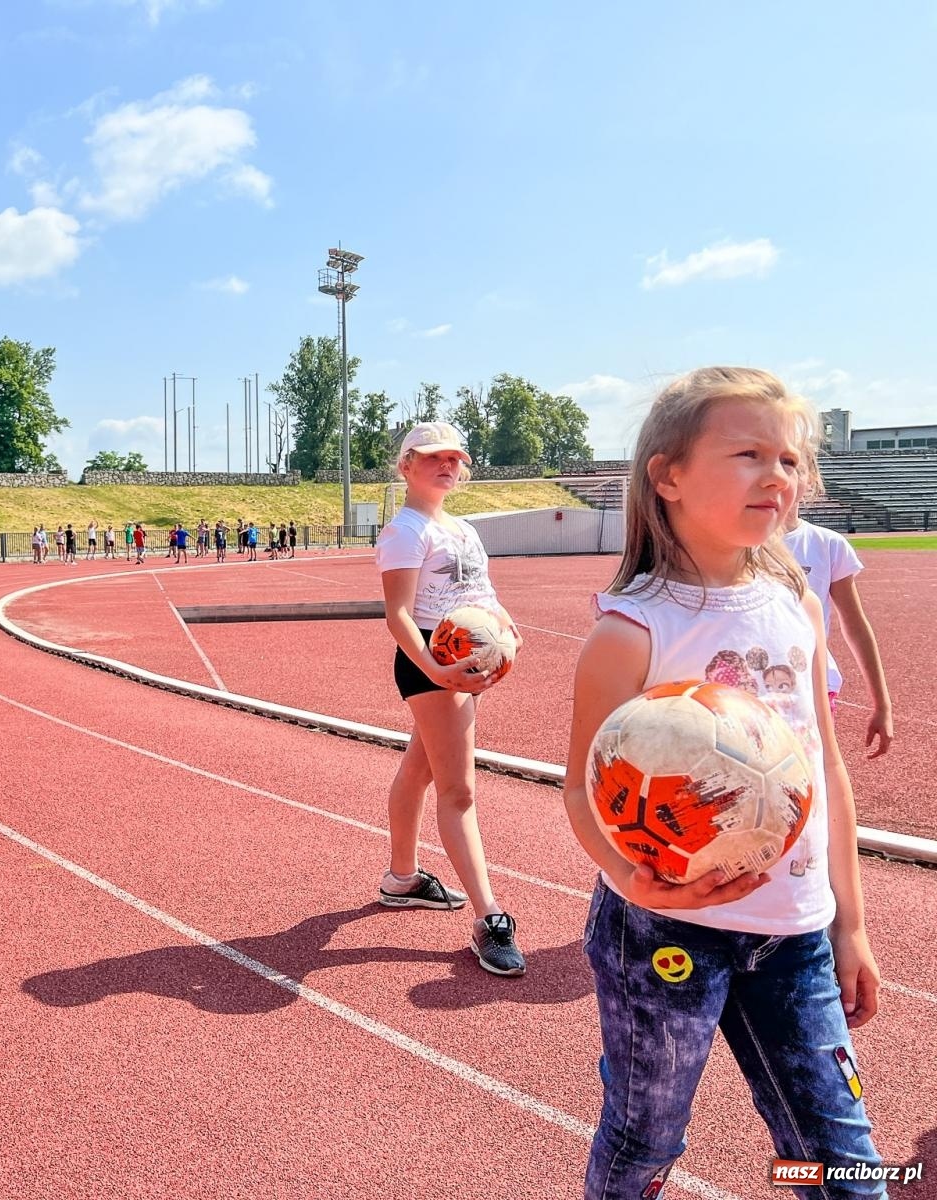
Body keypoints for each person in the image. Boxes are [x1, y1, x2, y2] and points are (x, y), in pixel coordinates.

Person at [562, 367, 880, 1198]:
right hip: (664, 932)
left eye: (789, 459)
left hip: (797, 934)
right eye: (748, 454)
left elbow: (827, 768)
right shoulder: (632, 630)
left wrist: (850, 923)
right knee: (645, 1141)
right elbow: (581, 789)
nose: (778, 475)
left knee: (844, 1164)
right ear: (667, 475)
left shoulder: (797, 606)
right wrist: (633, 873)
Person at [375, 422, 526, 977]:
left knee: (421, 771)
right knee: (459, 790)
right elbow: (399, 615)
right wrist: (438, 671)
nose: (447, 466)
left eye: (455, 459)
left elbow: (482, 595)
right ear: (407, 465)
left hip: (463, 663)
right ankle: (490, 917)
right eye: (433, 457)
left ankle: (402, 878)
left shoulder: (463, 530)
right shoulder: (406, 531)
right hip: (434, 663)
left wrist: (507, 631)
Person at [784, 488, 893, 757]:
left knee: (814, 775)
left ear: (810, 482)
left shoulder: (827, 544)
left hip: (815, 686)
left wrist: (882, 704)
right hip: (752, 684)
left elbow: (855, 625)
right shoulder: (735, 543)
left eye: (792, 465)